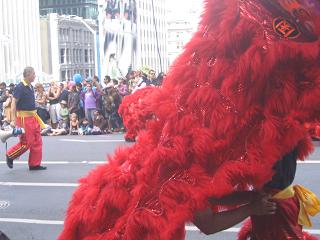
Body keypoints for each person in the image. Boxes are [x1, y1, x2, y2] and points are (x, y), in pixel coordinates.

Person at [58, 0, 320, 239]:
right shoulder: (185, 160)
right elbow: (207, 223)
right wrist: (252, 205)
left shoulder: (181, 146)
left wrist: (252, 197)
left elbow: (210, 195)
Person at [6, 66, 46, 170]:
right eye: (33, 73)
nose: (34, 75)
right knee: (26, 143)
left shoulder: (30, 86)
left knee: (37, 140)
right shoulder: (20, 87)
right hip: (24, 118)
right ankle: (10, 155)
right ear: (28, 75)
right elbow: (14, 103)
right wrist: (14, 120)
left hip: (33, 117)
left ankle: (34, 164)